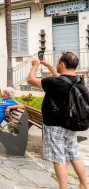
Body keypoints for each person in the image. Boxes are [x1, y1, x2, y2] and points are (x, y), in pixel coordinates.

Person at [27, 52, 87, 189]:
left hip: (54, 126)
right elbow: (62, 78)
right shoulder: (78, 80)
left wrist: (35, 66)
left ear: (62, 64)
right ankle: (84, 184)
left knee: (58, 159)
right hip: (71, 124)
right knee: (74, 154)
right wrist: (48, 65)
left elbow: (30, 79)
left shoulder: (54, 82)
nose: (55, 64)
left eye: (57, 62)